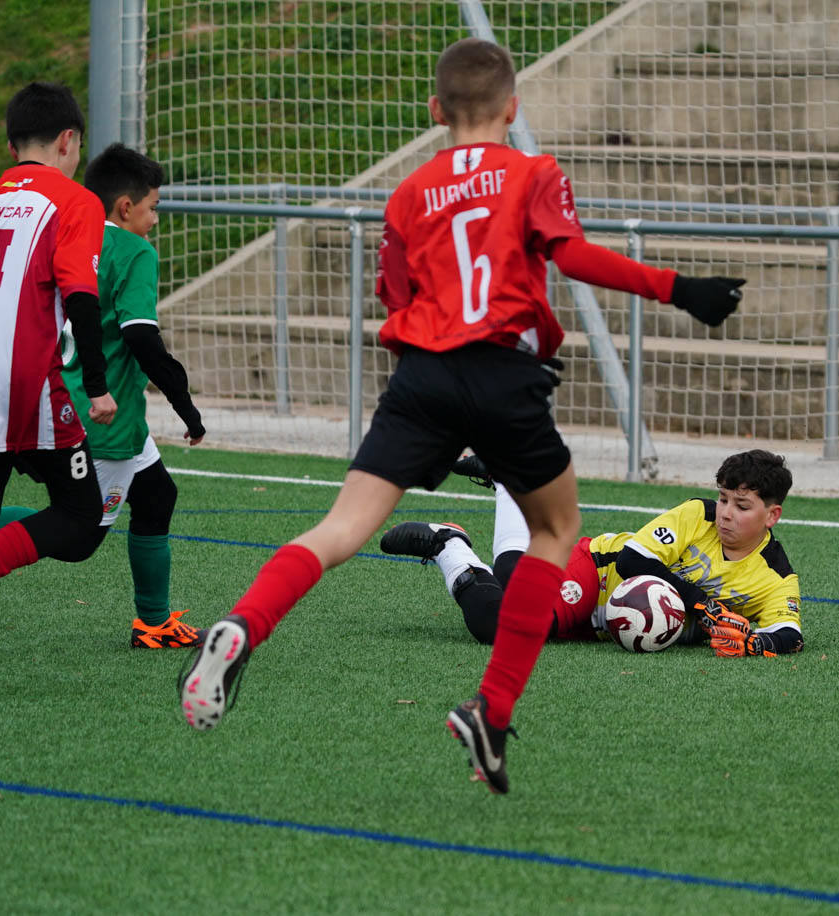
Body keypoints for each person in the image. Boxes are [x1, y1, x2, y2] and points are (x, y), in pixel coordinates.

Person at [177, 38, 745, 795]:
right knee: (554, 530)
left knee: (340, 530)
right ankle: (492, 709)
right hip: (506, 376)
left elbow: (395, 299)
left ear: (436, 111)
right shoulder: (533, 172)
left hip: (422, 379)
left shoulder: (410, 192)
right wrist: (682, 289)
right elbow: (572, 258)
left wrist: (430, 412)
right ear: (514, 107)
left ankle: (245, 625)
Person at [0, 82, 117, 604]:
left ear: (11, 147)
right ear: (68, 141)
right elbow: (81, 294)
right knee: (83, 520)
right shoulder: (75, 201)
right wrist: (97, 385)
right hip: (23, 376)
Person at [381, 450, 802, 656]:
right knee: (507, 627)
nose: (726, 513)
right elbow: (633, 561)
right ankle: (450, 546)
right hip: (598, 571)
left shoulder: (775, 576)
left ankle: (508, 480)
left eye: (741, 507)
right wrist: (704, 604)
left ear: (772, 515)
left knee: (515, 596)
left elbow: (791, 635)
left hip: (607, 623)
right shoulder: (698, 514)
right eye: (724, 499)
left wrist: (755, 641)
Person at [64, 142, 208, 648]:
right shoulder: (134, 251)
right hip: (109, 416)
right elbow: (142, 338)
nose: (155, 220)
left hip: (67, 398)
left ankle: (153, 623)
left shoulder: (69, 238)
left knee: (157, 494)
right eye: (153, 208)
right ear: (125, 207)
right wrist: (185, 406)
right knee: (77, 535)